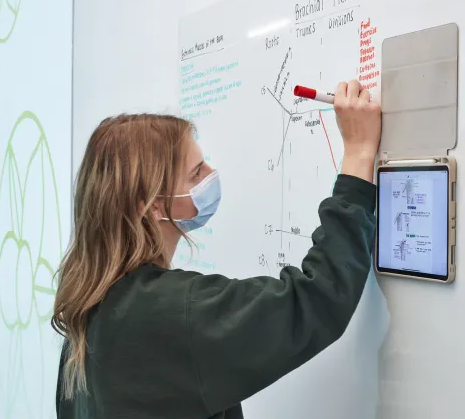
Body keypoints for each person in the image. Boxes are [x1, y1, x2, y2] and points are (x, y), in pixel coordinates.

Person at [53, 79, 381, 419]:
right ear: (150, 206)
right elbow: (317, 299)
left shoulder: (88, 309)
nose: (212, 175)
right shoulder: (168, 312)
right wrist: (358, 154)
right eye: (196, 174)